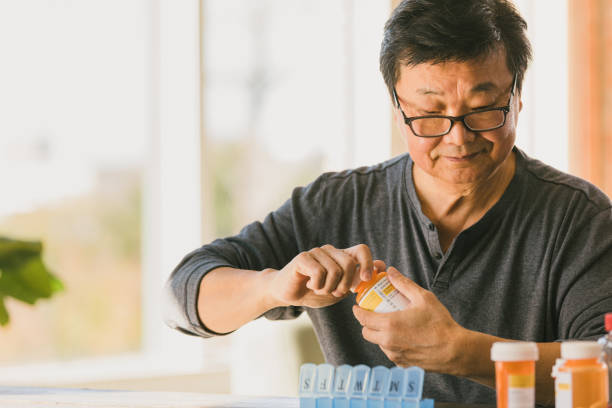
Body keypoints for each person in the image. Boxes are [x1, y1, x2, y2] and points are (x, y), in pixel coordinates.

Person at [164, 0, 612, 404]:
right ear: (398, 109)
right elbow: (181, 296)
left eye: (483, 108)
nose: (458, 138)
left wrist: (464, 353)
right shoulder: (336, 205)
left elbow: (607, 371)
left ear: (517, 96)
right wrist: (271, 287)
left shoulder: (580, 220)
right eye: (430, 115)